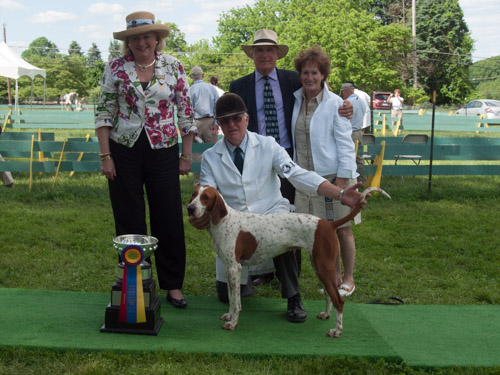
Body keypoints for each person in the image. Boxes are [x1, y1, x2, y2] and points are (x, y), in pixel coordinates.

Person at [199, 93, 364, 322]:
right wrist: (199, 216)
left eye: (236, 118)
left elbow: (296, 174)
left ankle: (293, 297)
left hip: (270, 212)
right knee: (223, 295)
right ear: (218, 125)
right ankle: (249, 282)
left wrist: (340, 193)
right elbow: (206, 194)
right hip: (236, 225)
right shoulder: (210, 157)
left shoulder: (268, 145)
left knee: (286, 228)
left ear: (246, 119)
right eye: (225, 121)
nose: (231, 125)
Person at [229, 29, 354, 288]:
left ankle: (290, 277)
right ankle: (260, 270)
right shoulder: (238, 86)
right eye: (259, 50)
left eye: (269, 50)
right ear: (252, 54)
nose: (264, 54)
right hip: (255, 158)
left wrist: (347, 106)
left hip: (287, 158)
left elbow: (320, 89)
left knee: (289, 218)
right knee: (257, 213)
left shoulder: (292, 81)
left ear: (277, 54)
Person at [95, 11, 196, 309]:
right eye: (135, 38)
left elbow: (186, 112)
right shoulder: (114, 68)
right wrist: (106, 156)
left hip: (163, 149)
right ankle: (135, 281)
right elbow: (103, 114)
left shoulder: (174, 66)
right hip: (123, 149)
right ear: (128, 42)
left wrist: (186, 154)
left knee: (168, 216)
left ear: (157, 39)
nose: (142, 42)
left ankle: (173, 284)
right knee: (129, 215)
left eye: (147, 36)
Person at [291, 45, 359, 297]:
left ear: (323, 75)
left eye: (315, 73)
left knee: (342, 228)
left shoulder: (336, 104)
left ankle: (349, 279)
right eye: (306, 73)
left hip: (335, 176)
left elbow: (345, 143)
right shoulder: (296, 99)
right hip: (308, 180)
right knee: (318, 231)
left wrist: (342, 179)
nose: (310, 78)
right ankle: (332, 277)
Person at [340, 82, 367, 185]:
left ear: (347, 91)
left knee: (348, 157)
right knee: (359, 158)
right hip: (359, 132)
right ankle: (362, 181)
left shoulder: (346, 103)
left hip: (350, 132)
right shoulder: (361, 102)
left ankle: (349, 181)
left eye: (342, 93)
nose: (342, 95)